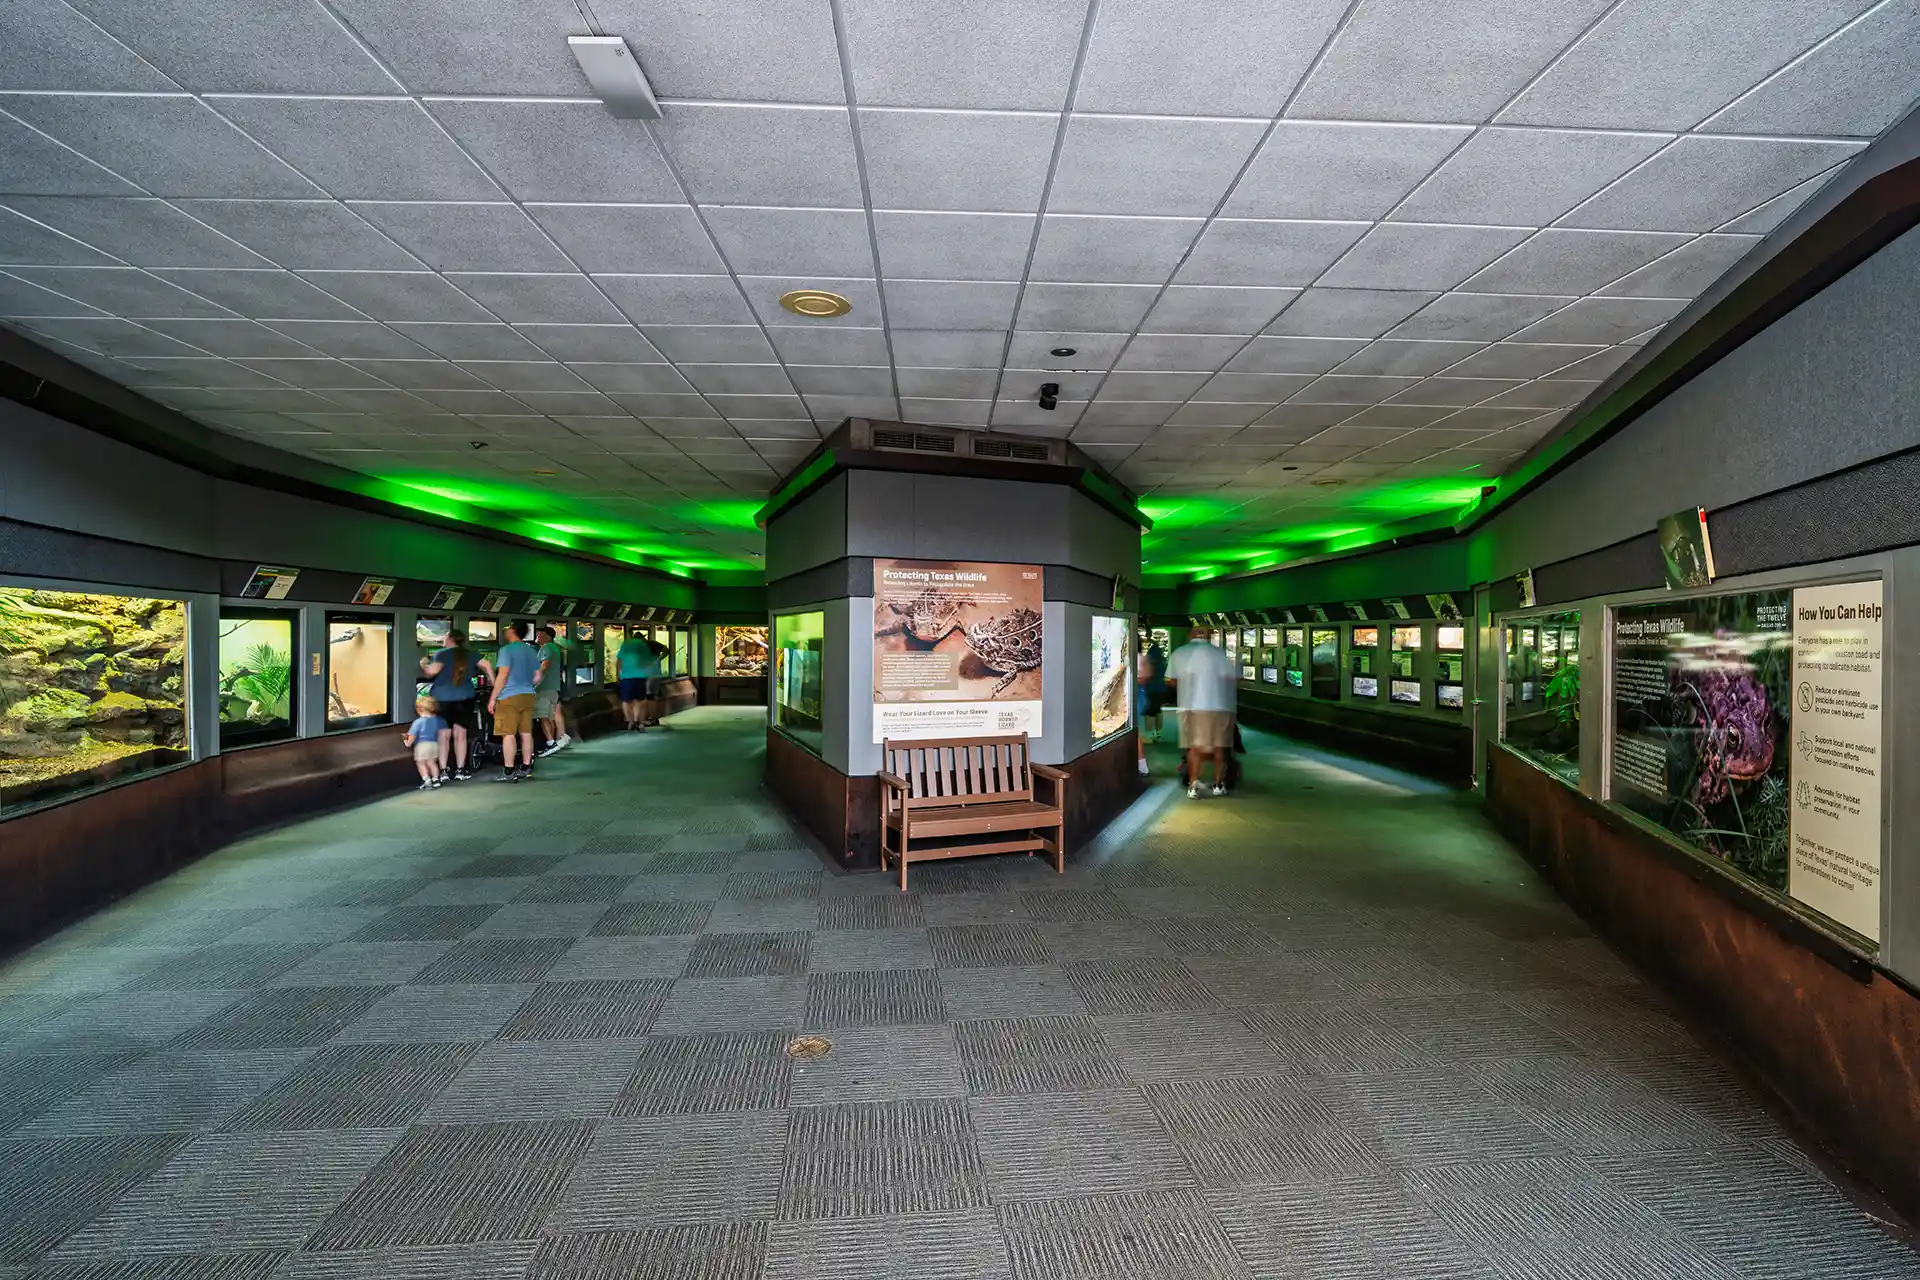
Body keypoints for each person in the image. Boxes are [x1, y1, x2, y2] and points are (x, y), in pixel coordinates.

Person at [1167, 627, 1238, 799]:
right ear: (1208, 636)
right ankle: (1218, 785)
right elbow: (1229, 678)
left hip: (1191, 707)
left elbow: (1172, 680)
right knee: (1219, 747)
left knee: (1195, 747)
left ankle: (1193, 785)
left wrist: (1184, 688)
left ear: (1190, 635)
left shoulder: (1181, 653)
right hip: (1220, 707)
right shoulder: (1219, 654)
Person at [419, 628, 489, 781]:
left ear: (450, 638)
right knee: (460, 735)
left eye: (445, 636)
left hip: (442, 699)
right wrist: (494, 682)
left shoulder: (441, 654)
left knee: (444, 735)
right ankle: (460, 770)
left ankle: (443, 771)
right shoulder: (471, 654)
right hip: (465, 698)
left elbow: (432, 671)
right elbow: (487, 665)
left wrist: (424, 663)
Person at [489, 622, 542, 782]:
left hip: (509, 697)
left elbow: (503, 675)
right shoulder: (531, 650)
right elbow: (538, 676)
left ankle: (509, 771)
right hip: (528, 695)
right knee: (526, 732)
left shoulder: (506, 650)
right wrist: (526, 685)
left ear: (513, 630)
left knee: (508, 734)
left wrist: (493, 698)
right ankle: (526, 767)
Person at [534, 625, 572, 757]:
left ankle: (551, 743)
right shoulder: (555, 648)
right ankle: (557, 740)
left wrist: (534, 680)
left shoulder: (547, 647)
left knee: (542, 716)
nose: (537, 636)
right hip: (553, 688)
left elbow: (544, 664)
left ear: (547, 636)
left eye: (540, 634)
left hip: (544, 688)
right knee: (550, 715)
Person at [615, 626, 661, 731]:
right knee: (639, 700)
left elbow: (619, 661)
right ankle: (637, 721)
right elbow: (647, 662)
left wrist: (619, 674)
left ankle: (630, 721)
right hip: (640, 677)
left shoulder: (625, 645)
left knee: (626, 701)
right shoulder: (644, 646)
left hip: (626, 677)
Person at [403, 696, 447, 790]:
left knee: (421, 763)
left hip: (422, 745)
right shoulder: (437, 721)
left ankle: (426, 779)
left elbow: (412, 735)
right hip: (434, 744)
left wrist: (407, 742)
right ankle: (436, 779)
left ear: (420, 709)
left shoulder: (418, 722)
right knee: (432, 763)